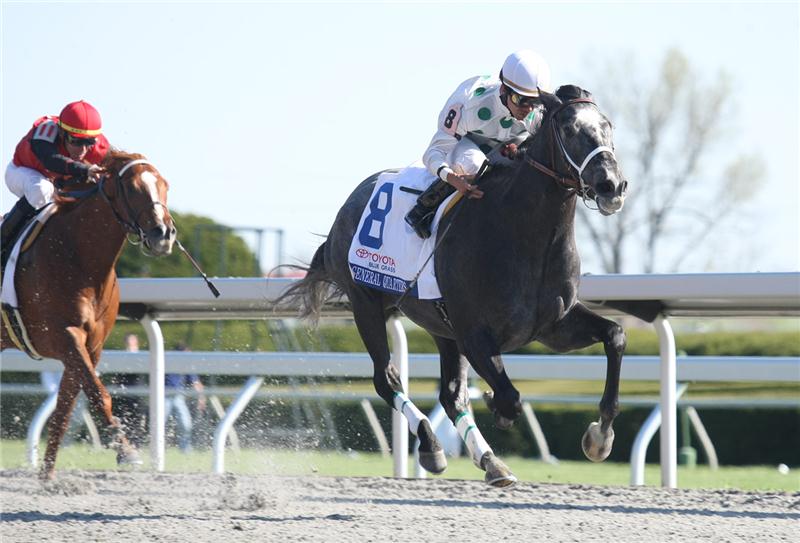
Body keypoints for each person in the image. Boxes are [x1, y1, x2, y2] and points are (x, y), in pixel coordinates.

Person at [405, 50, 553, 238]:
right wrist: (452, 178)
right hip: (464, 141)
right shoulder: (468, 106)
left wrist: (522, 148)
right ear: (504, 90)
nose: (528, 109)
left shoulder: (537, 113)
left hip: (506, 142)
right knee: (479, 168)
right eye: (521, 100)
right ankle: (425, 207)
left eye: (536, 102)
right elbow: (433, 153)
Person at [1, 100, 109, 264]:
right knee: (42, 189)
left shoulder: (100, 146)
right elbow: (51, 160)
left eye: (89, 142)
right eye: (77, 141)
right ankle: (3, 239)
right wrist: (85, 169)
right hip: (21, 173)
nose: (83, 150)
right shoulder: (45, 131)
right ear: (61, 132)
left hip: (56, 184)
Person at [165, 342, 206, 453]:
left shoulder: (185, 365)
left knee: (185, 424)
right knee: (160, 424)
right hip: (163, 397)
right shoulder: (166, 362)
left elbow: (196, 382)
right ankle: (157, 448)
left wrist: (201, 397)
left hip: (178, 397)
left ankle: (185, 449)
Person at [111, 333, 148, 448]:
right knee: (124, 424)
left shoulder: (142, 357)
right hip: (125, 396)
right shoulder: (121, 357)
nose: (130, 345)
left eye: (132, 342)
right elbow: (118, 376)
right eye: (128, 343)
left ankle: (137, 446)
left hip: (138, 396)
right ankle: (125, 447)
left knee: (138, 424)